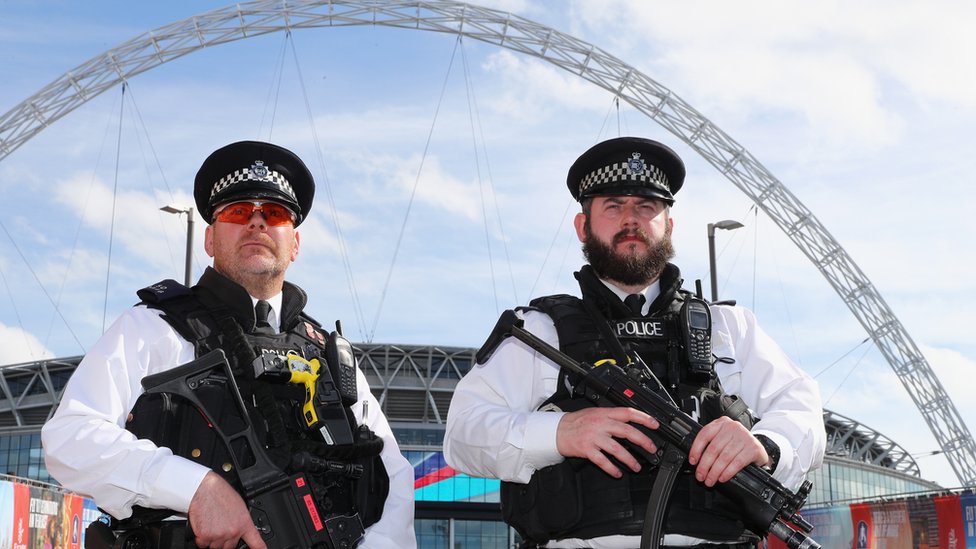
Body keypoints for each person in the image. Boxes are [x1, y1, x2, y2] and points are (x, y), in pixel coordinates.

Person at [443, 137, 826, 548]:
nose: (632, 219)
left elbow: (801, 407)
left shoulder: (729, 325)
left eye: (646, 207)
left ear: (669, 224)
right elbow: (463, 434)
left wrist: (766, 446)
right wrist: (560, 432)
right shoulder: (538, 332)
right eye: (613, 206)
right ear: (582, 226)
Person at [42, 141, 416, 549]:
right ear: (209, 238)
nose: (256, 223)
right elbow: (70, 437)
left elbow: (393, 476)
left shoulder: (330, 356)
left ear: (295, 243)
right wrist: (195, 488)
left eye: (273, 214)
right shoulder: (153, 327)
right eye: (238, 212)